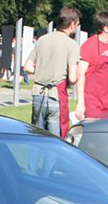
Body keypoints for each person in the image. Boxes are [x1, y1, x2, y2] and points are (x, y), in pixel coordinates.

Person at [25, 7, 81, 136]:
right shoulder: (72, 45)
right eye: (77, 24)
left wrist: (42, 72)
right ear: (72, 24)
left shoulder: (42, 40)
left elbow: (28, 66)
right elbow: (72, 78)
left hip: (38, 93)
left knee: (37, 135)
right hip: (56, 94)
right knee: (55, 138)